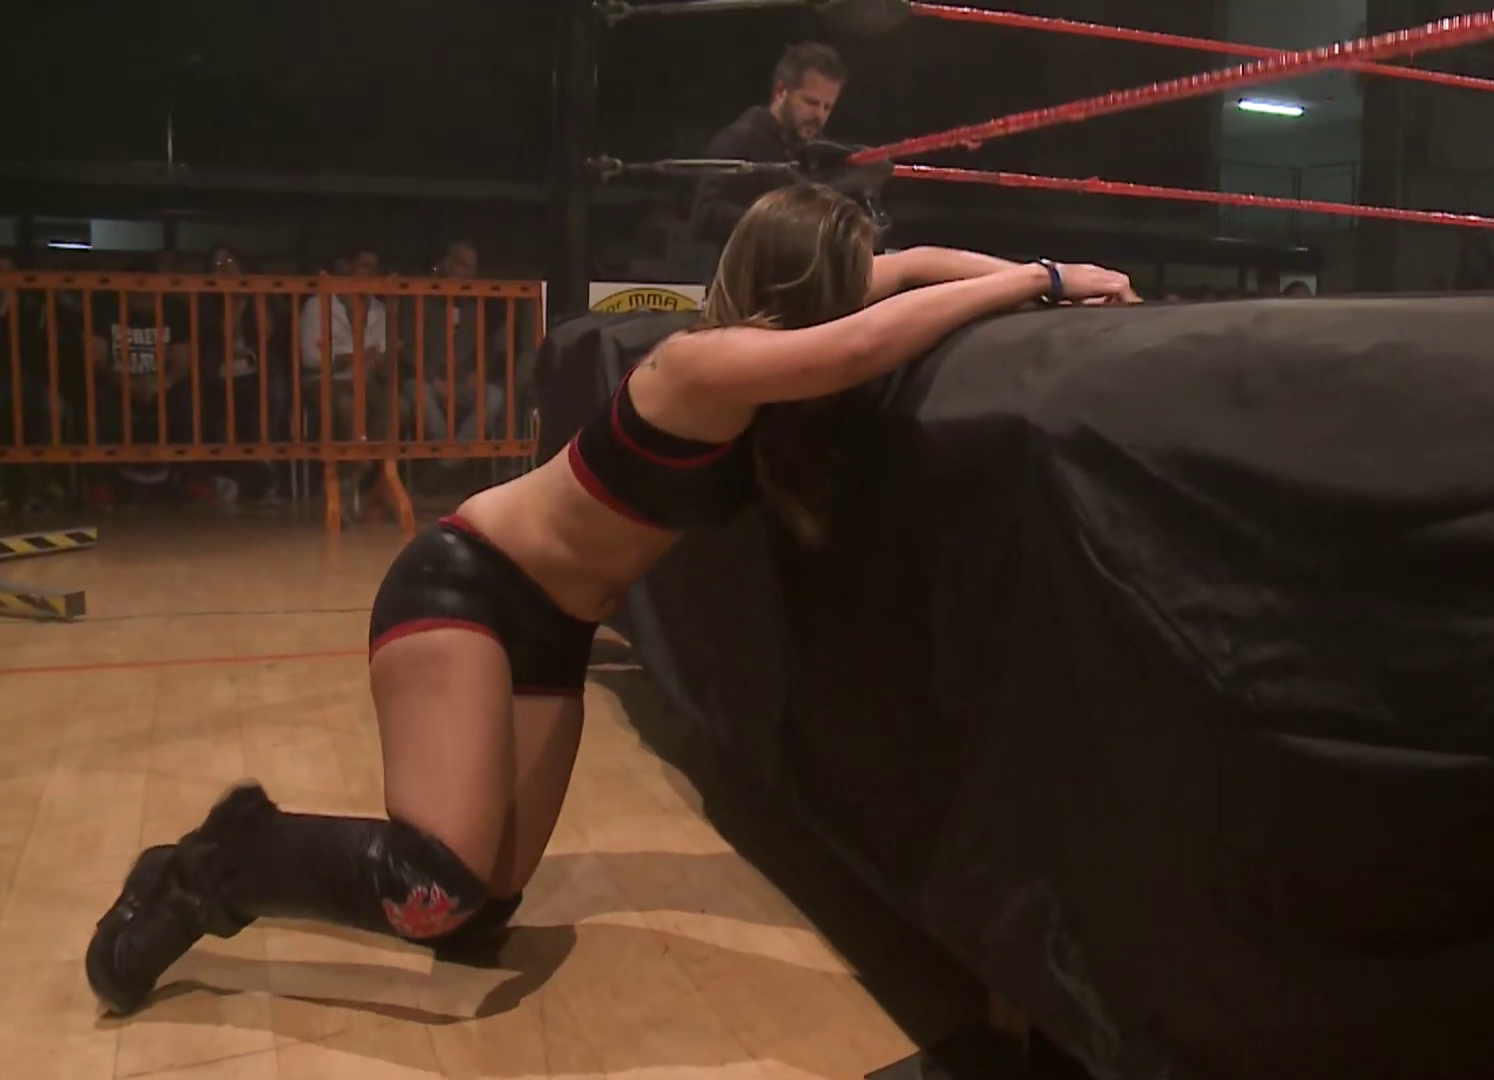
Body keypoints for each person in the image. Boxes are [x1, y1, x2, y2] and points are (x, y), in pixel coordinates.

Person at [85, 183, 1137, 1016]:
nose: (864, 289)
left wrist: (1048, 285)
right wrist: (1047, 275)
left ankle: (248, 863)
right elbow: (863, 339)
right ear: (806, 290)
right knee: (431, 887)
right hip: (467, 586)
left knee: (476, 919)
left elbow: (912, 270)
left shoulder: (760, 344)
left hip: (554, 627)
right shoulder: (701, 363)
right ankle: (217, 864)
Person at [691, 42, 848, 248]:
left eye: (827, 107)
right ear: (781, 91)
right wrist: (782, 225)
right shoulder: (741, 138)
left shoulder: (807, 152)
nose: (819, 115)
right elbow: (705, 215)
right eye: (810, 102)